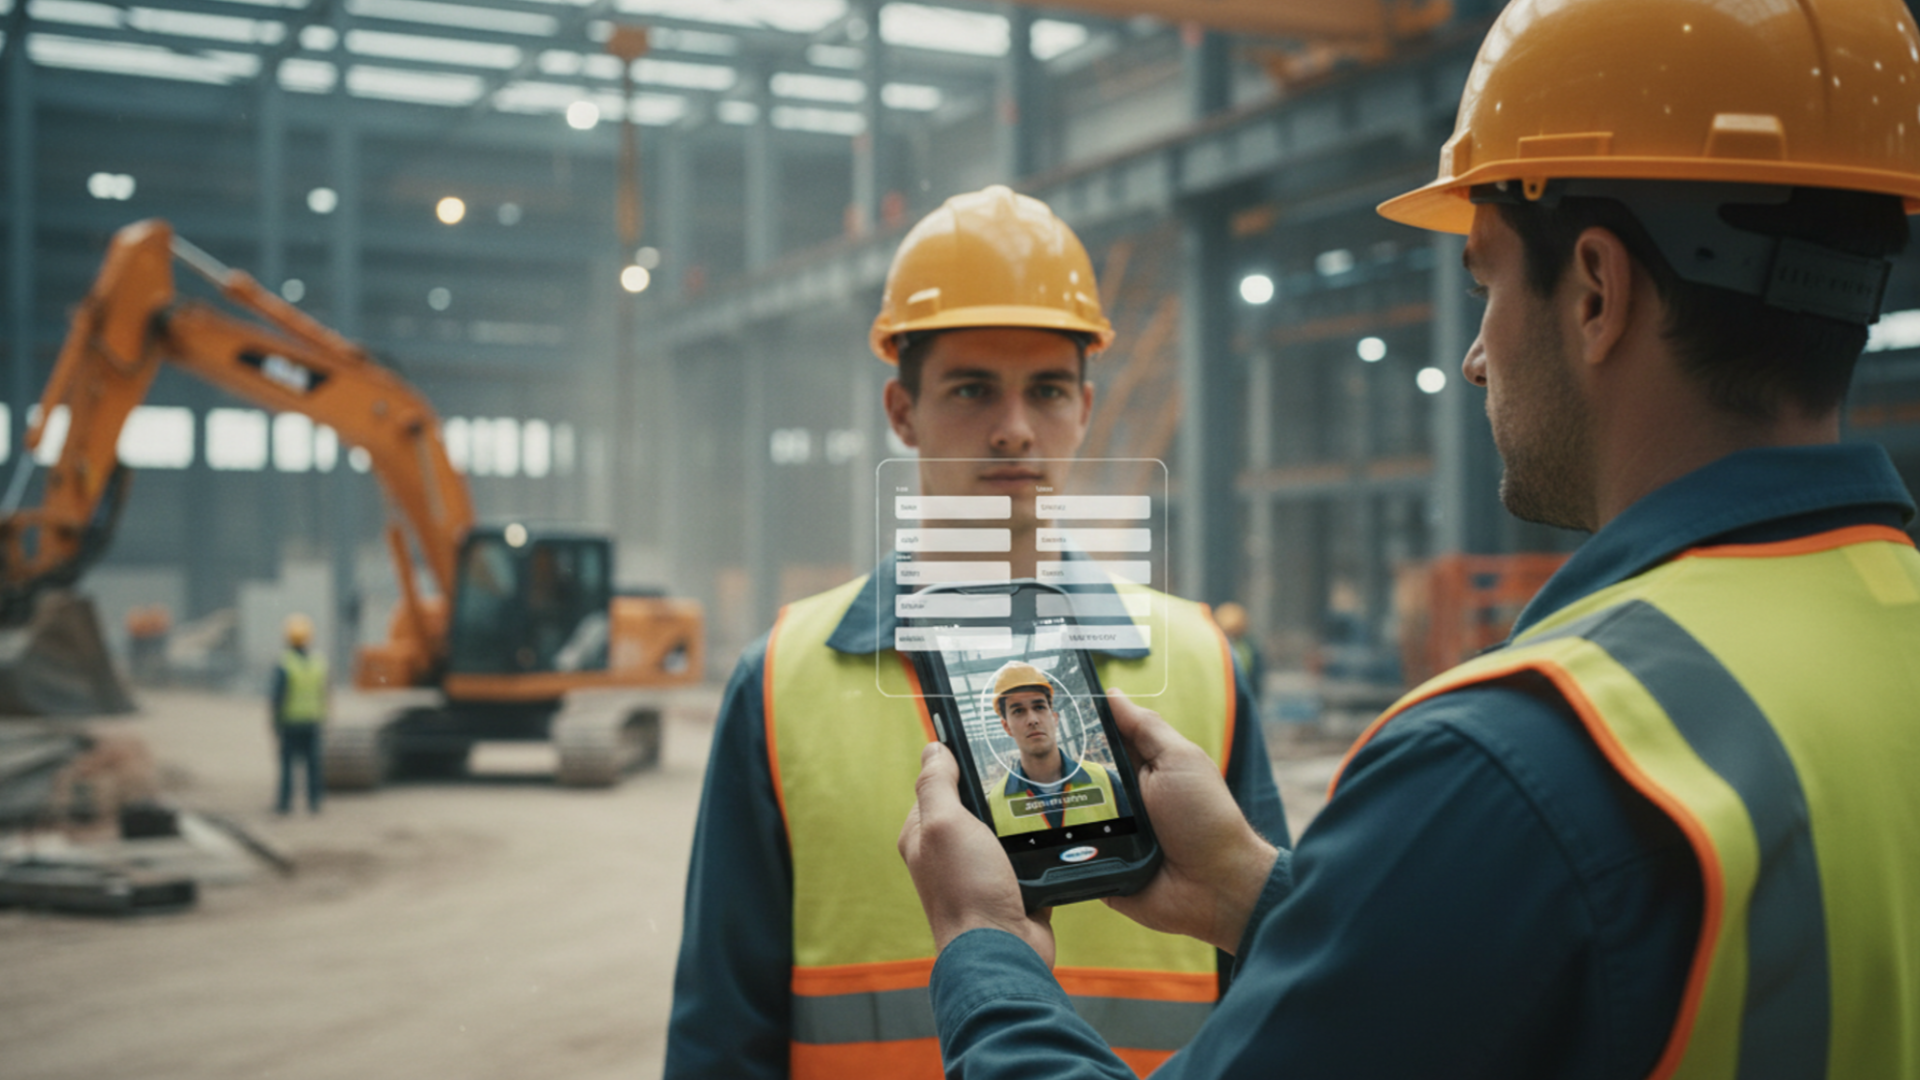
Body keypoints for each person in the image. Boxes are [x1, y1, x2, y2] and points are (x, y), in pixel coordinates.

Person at [898, 1, 1920, 1076]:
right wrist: (1258, 890)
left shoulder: (1519, 763)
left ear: (1595, 293)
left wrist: (989, 952)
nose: (1475, 356)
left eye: (1483, 281)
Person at [665, 184, 1288, 1080]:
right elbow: (722, 1032)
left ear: (1085, 404)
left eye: (1046, 390)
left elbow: (1282, 988)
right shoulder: (777, 681)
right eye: (971, 390)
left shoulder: (1200, 663)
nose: (1013, 427)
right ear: (901, 410)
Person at [981, 661, 1132, 834]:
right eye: (1018, 711)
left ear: (1055, 719)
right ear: (1006, 727)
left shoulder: (1108, 781)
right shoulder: (992, 805)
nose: (1032, 720)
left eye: (1039, 707)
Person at [270, 612, 328, 815]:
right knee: (313, 767)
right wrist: (324, 716)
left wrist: (274, 723)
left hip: (290, 723)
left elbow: (277, 696)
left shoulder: (285, 662)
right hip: (312, 721)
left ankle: (284, 806)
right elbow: (324, 693)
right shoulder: (318, 662)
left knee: (287, 768)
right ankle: (314, 804)